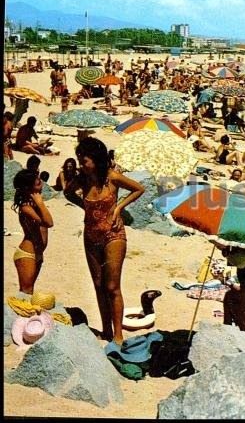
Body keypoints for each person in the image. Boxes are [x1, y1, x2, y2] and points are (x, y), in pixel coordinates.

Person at [64, 137, 145, 344]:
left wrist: (118, 208)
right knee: (98, 285)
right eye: (80, 160)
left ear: (96, 159)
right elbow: (67, 192)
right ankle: (106, 330)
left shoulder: (112, 177)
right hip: (91, 235)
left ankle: (118, 334)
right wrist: (84, 207)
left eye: (84, 160)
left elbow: (138, 189)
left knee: (112, 286)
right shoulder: (82, 179)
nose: (81, 164)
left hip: (113, 235)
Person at [12, 169, 54, 294]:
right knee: (26, 292)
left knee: (29, 292)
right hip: (27, 253)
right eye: (36, 179)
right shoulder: (26, 207)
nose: (39, 179)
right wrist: (40, 203)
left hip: (38, 253)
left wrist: (39, 202)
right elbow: (49, 223)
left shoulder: (34, 204)